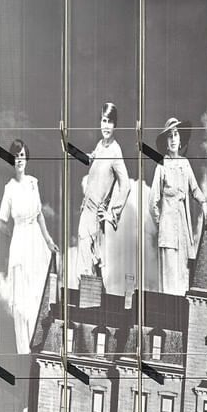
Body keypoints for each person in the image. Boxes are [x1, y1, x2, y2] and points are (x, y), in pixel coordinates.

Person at [0, 140, 58, 353]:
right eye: (16, 156)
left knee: (37, 291)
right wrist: (15, 236)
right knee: (21, 297)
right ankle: (23, 348)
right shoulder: (10, 189)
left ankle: (37, 340)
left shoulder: (33, 182)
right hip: (21, 242)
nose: (20, 159)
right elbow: (1, 222)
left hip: (37, 242)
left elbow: (40, 214)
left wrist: (49, 240)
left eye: (22, 155)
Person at [150, 117, 207, 295]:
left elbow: (195, 189)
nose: (174, 139)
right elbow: (152, 201)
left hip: (184, 230)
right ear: (166, 143)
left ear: (180, 139)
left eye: (176, 135)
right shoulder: (162, 166)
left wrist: (204, 203)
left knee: (184, 275)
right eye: (170, 136)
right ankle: (168, 319)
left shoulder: (185, 164)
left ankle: (181, 319)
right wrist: (162, 223)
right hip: (168, 231)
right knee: (170, 278)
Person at [76, 102, 131, 282]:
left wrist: (112, 213)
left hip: (97, 215)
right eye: (104, 120)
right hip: (86, 209)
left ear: (115, 125)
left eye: (110, 122)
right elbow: (94, 160)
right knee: (87, 264)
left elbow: (126, 185)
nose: (106, 126)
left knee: (93, 264)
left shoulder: (116, 151)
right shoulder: (100, 145)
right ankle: (89, 305)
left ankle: (93, 306)